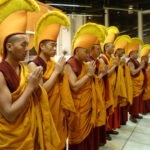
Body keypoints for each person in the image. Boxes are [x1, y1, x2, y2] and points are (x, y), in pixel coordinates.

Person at [0, 0, 60, 149]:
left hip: (31, 134)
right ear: (9, 47)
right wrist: (30, 87)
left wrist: (36, 86)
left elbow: (40, 95)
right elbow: (9, 114)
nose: (28, 49)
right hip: (12, 141)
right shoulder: (1, 74)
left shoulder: (24, 69)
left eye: (28, 44)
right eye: (23, 45)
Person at [28, 11, 76, 150]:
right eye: (52, 45)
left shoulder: (54, 63)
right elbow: (42, 90)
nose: (55, 48)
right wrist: (57, 72)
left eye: (56, 45)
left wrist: (61, 73)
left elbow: (62, 87)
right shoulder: (33, 64)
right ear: (41, 46)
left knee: (60, 141)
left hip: (58, 110)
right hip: (44, 111)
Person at [65, 23, 104, 150]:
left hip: (88, 107)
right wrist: (88, 75)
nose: (88, 55)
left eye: (89, 52)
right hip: (77, 109)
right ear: (77, 51)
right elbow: (75, 87)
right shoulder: (69, 64)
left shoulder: (86, 64)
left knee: (89, 138)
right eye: (86, 51)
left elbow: (92, 84)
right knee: (78, 138)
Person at [87, 37, 108, 149]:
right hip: (94, 93)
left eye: (100, 49)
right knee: (97, 114)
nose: (99, 51)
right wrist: (102, 75)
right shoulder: (89, 62)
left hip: (100, 90)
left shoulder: (98, 61)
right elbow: (91, 80)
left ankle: (99, 139)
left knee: (101, 113)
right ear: (91, 50)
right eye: (97, 49)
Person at [100, 26, 119, 140]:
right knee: (106, 109)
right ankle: (105, 131)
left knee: (111, 108)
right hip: (106, 87)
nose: (114, 48)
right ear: (106, 48)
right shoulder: (103, 59)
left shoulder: (111, 58)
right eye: (112, 47)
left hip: (112, 87)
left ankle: (110, 128)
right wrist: (116, 65)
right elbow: (106, 74)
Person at [113, 35, 133, 125]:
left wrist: (123, 65)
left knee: (123, 104)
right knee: (118, 105)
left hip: (124, 84)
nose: (123, 52)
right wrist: (121, 66)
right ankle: (118, 121)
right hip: (117, 86)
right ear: (116, 51)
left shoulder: (121, 59)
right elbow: (115, 72)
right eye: (121, 51)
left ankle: (122, 120)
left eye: (123, 51)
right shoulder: (114, 60)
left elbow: (125, 72)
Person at [126, 38, 145, 123]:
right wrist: (141, 67)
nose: (137, 54)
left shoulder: (136, 61)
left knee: (138, 100)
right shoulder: (130, 62)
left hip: (138, 85)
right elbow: (133, 73)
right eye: (136, 52)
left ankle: (136, 113)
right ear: (131, 54)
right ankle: (132, 116)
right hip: (133, 85)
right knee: (134, 100)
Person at [139, 45, 150, 114]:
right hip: (143, 84)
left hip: (149, 83)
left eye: (148, 57)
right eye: (146, 57)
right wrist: (147, 70)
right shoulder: (141, 64)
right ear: (142, 58)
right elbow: (140, 75)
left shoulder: (148, 64)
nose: (148, 59)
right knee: (145, 96)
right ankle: (143, 110)